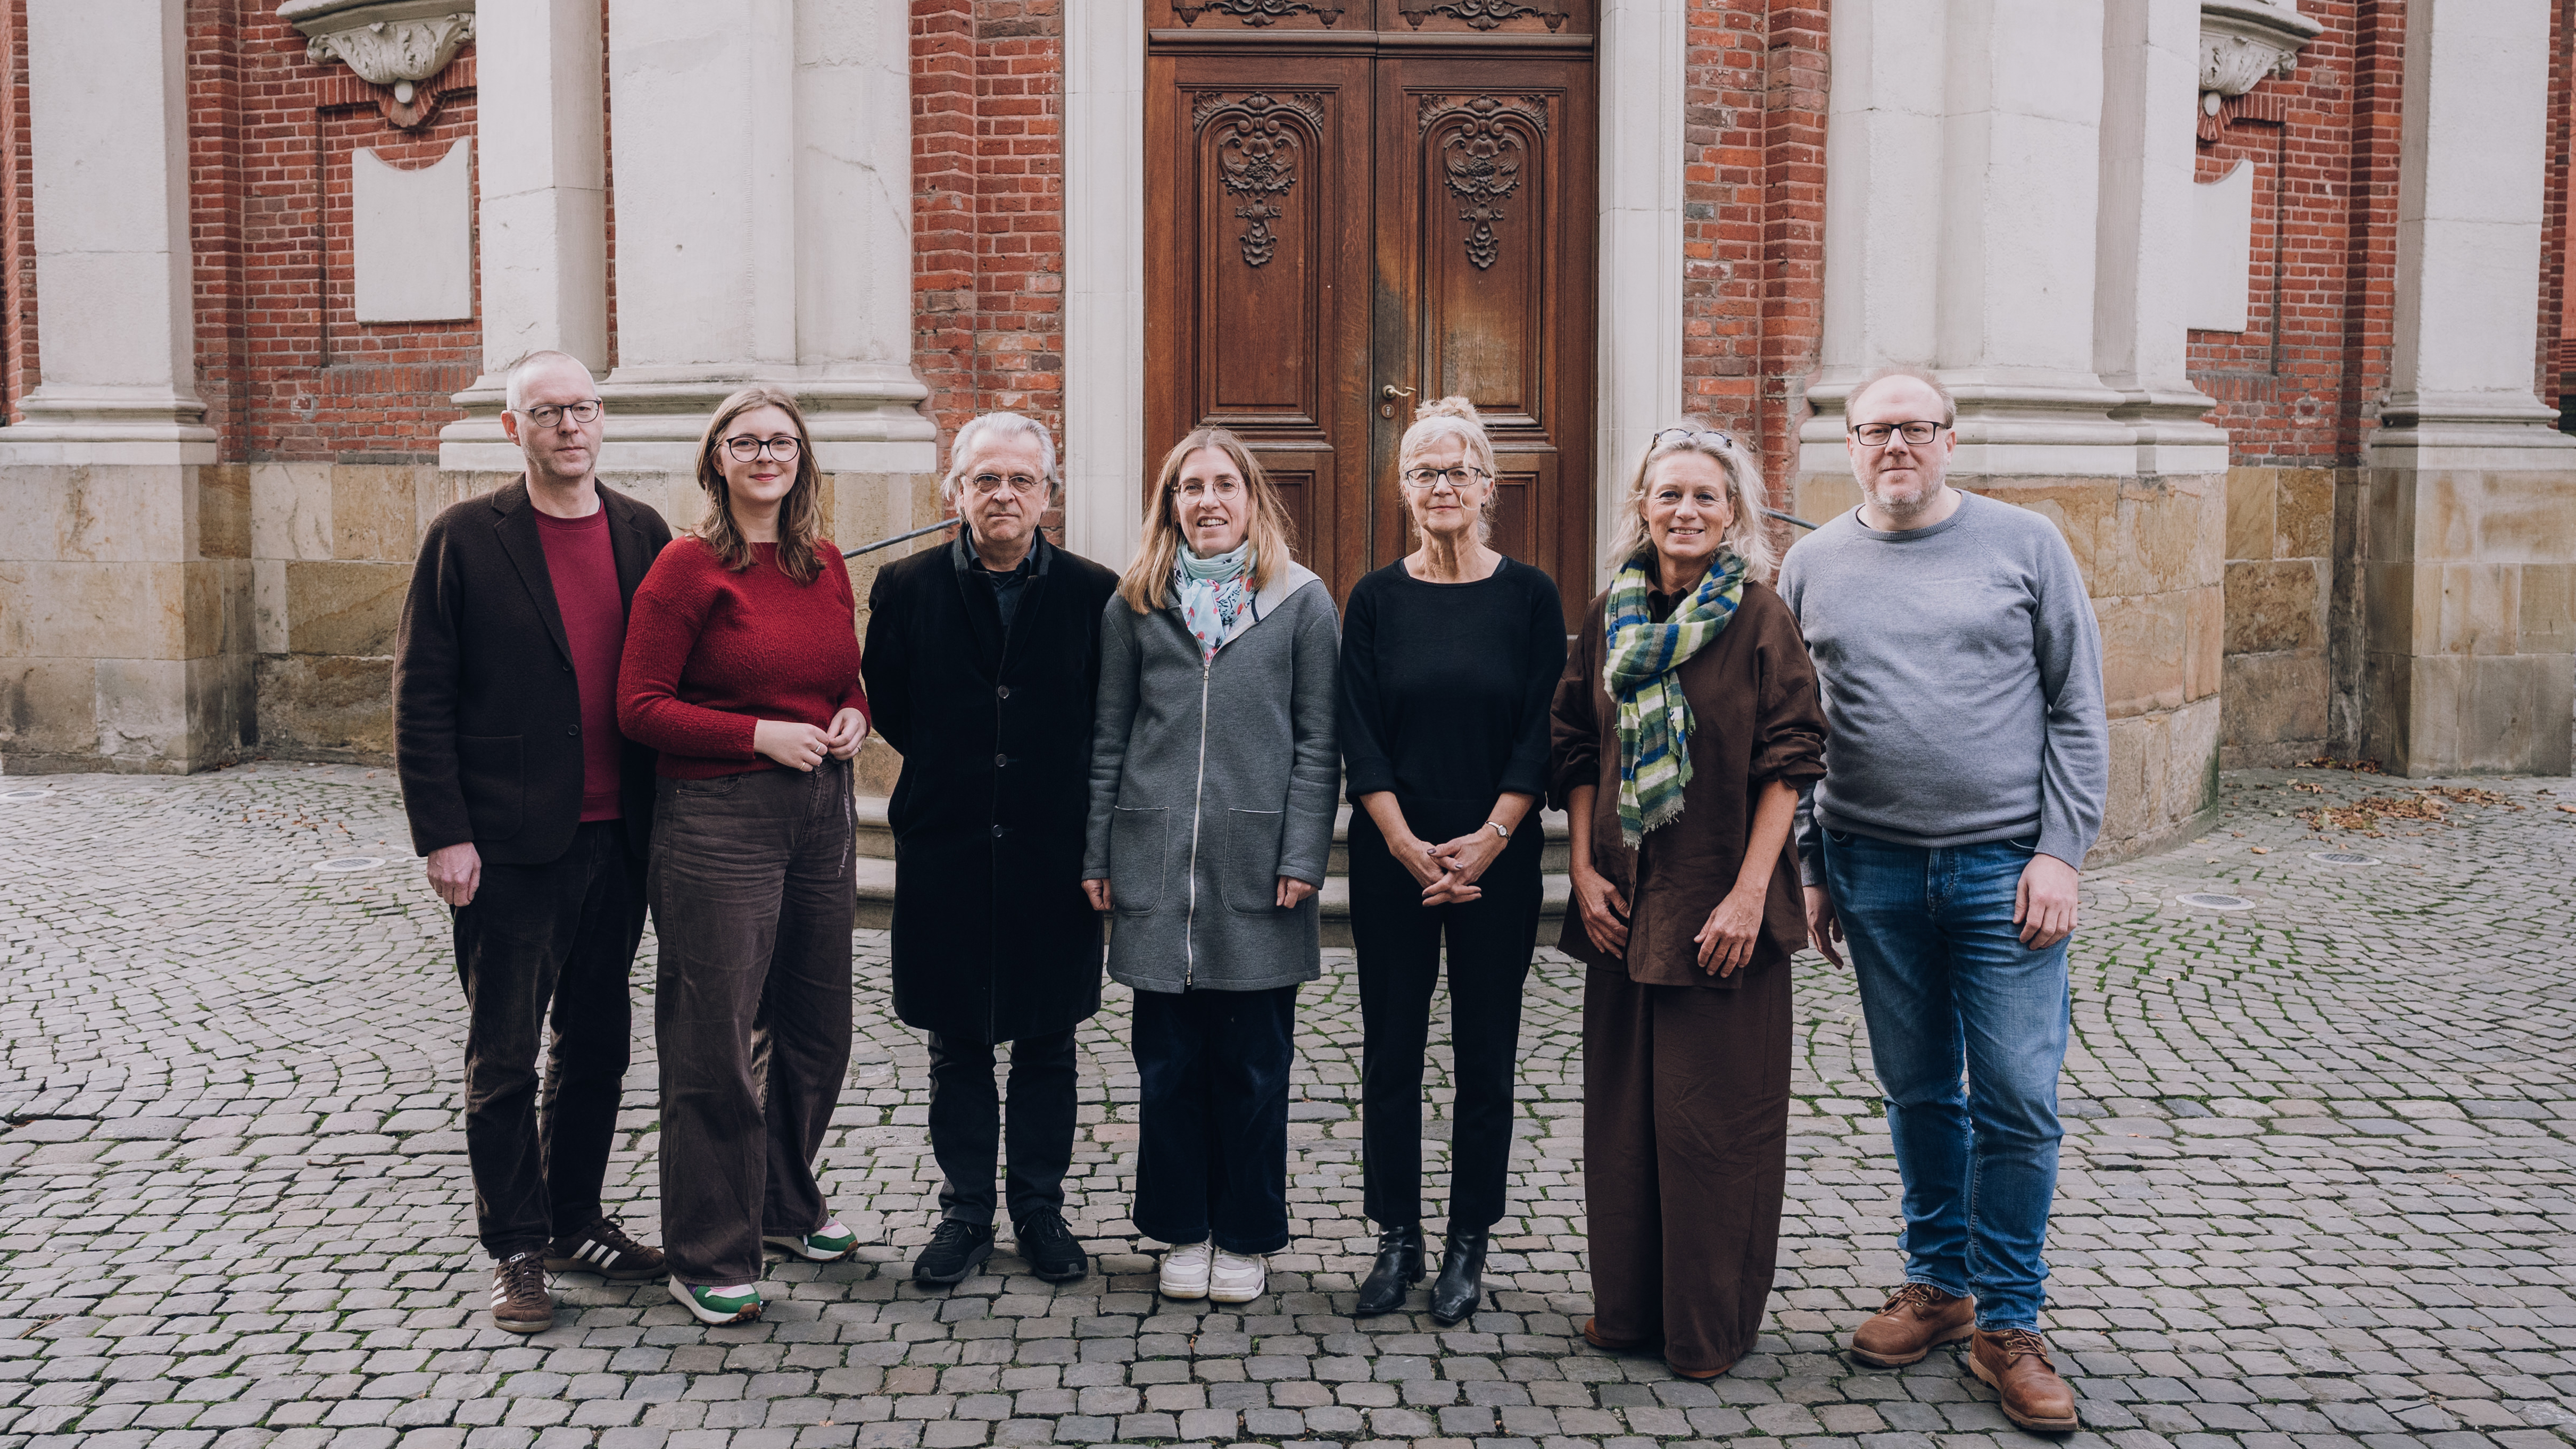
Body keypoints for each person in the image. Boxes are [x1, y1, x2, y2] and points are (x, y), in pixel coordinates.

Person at [1779, 367, 2106, 1430]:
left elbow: (2078, 707)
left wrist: (2059, 854)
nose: (1896, 446)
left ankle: (2009, 1324)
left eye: (1916, 428)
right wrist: (1814, 865)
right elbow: (1800, 732)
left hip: (2003, 869)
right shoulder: (1812, 565)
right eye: (1876, 430)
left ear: (1950, 441)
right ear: (1849, 445)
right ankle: (1939, 1286)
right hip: (1871, 868)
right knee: (1918, 1088)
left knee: (2016, 1096)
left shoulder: (2025, 545)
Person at [394, 350, 673, 1334]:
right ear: (513, 428)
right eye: (547, 412)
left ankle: (573, 1219)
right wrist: (445, 836)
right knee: (505, 1058)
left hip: (620, 836)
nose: (569, 427)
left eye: (582, 409)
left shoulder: (643, 531)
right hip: (510, 846)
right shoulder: (466, 538)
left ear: (602, 420)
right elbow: (421, 697)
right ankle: (515, 1247)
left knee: (596, 1045)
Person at [1548, 422, 1826, 1379]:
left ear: (1733, 512)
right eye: (1669, 493)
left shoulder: (1758, 619)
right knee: (1624, 1124)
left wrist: (1750, 895)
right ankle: (1629, 1310)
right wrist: (1582, 871)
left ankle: (1706, 1329)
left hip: (1719, 908)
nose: (1685, 511)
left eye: (1705, 496)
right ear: (1642, 505)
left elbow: (1792, 759)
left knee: (1714, 1128)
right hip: (1623, 905)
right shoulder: (1611, 614)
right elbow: (1575, 744)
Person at [615, 385, 870, 1327]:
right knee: (713, 1040)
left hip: (821, 812)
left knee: (817, 1027)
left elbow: (842, 678)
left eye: (783, 442)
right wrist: (756, 735)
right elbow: (639, 706)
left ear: (803, 459)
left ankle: (784, 1204)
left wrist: (854, 715)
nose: (767, 456)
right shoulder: (686, 568)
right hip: (717, 820)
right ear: (716, 459)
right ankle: (708, 1252)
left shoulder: (822, 562)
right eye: (747, 442)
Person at [862, 412, 1121, 1287]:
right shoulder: (905, 586)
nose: (1002, 494)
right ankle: (965, 1213)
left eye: (1020, 480)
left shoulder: (1095, 593)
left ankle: (1040, 1211)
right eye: (985, 479)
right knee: (956, 1042)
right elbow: (892, 705)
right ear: (956, 491)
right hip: (948, 840)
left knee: (1048, 1041)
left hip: (1053, 846)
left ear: (1048, 494)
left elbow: (1103, 715)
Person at [1082, 428, 1339, 1306]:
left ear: (1250, 497)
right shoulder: (1134, 603)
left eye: (1224, 485)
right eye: (1190, 487)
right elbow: (1110, 737)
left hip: (1259, 869)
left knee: (1254, 1070)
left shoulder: (1301, 601)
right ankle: (1182, 1231)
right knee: (1168, 1069)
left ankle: (1247, 1235)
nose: (1208, 501)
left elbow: (1319, 741)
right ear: (1171, 504)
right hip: (1156, 867)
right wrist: (1098, 850)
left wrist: (1303, 851)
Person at [1336, 398, 1563, 1323]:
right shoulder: (1374, 599)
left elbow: (1540, 731)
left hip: (1495, 855)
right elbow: (1359, 732)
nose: (1442, 486)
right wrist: (1399, 841)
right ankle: (1397, 1236)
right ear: (1402, 489)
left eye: (1458, 471)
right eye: (1424, 472)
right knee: (1391, 1051)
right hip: (1392, 853)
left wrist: (1491, 839)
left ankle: (1470, 1239)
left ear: (1486, 486)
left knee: (1486, 1054)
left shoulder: (1530, 596)